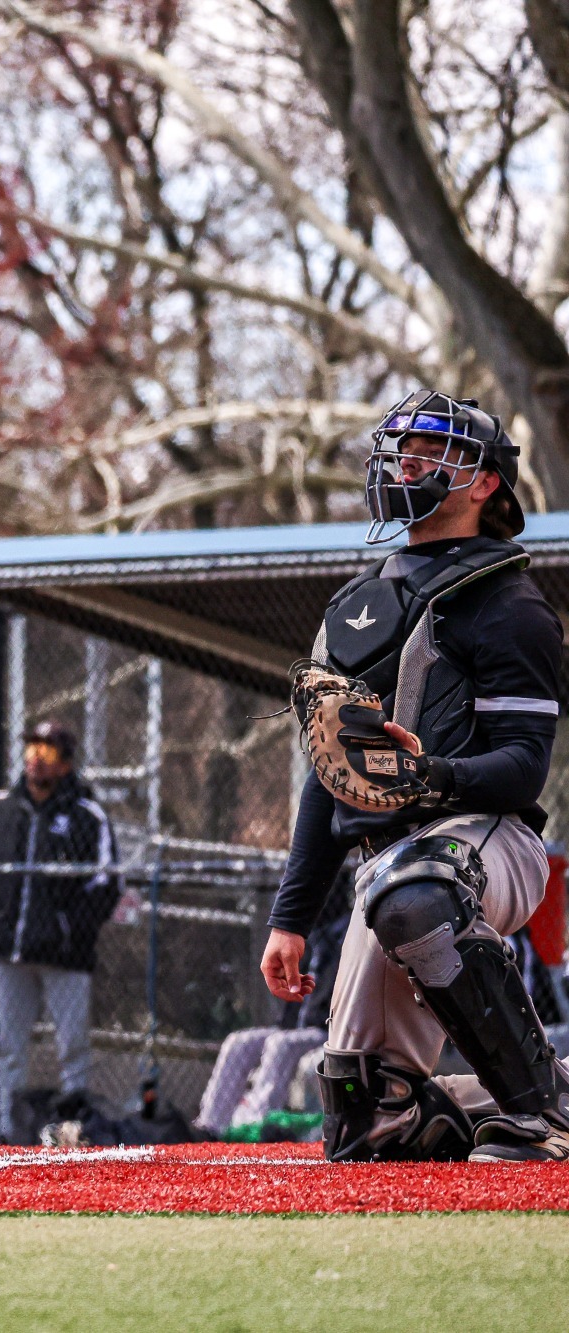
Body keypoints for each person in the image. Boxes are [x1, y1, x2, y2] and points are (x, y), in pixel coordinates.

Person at [259, 388, 569, 1164]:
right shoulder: (355, 608)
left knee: (416, 884)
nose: (410, 461)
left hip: (488, 844)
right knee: (370, 1125)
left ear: (486, 482)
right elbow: (330, 775)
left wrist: (426, 776)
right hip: (389, 873)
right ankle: (534, 1084)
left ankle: (544, 1109)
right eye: (404, 447)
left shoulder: (512, 604)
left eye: (436, 450)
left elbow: (524, 768)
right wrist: (290, 916)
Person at [0, 721, 117, 1143]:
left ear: (66, 763)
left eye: (49, 751)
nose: (37, 757)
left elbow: (106, 884)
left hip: (65, 957)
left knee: (71, 1045)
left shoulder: (86, 815)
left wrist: (68, 929)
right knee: (9, 1047)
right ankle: (7, 1129)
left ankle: (72, 1128)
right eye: (33, 747)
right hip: (11, 953)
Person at [194, 866, 353, 1138]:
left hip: (328, 1031)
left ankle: (254, 1127)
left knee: (280, 1045)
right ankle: (210, 1128)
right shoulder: (306, 933)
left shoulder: (348, 933)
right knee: (239, 1042)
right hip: (295, 1028)